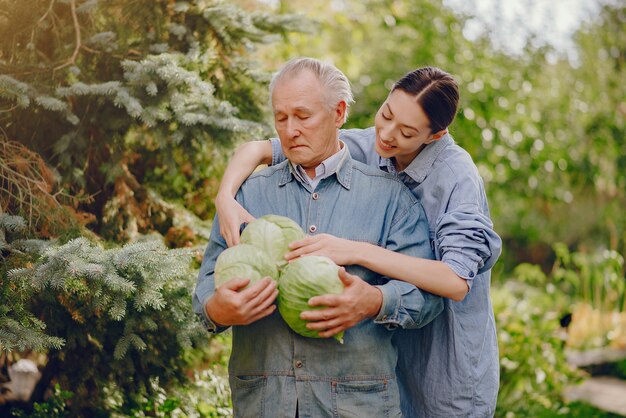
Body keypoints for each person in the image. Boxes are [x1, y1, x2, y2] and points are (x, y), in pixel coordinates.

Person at [215, 66, 502, 417]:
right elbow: (260, 149)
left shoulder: (457, 177)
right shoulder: (369, 142)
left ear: (435, 135)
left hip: (444, 354)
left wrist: (358, 250)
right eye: (387, 114)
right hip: (387, 350)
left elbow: (455, 282)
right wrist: (225, 197)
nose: (387, 134)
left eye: (407, 132)